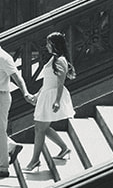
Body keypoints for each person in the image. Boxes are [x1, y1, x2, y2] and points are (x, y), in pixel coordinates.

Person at [0, 27, 35, 178]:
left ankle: (3, 168)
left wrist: (26, 93)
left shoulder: (3, 57)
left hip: (2, 97)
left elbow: (16, 77)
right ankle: (11, 147)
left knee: (0, 131)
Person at [24, 31, 75, 171]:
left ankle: (34, 161)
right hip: (46, 95)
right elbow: (47, 81)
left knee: (40, 128)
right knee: (41, 127)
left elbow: (60, 82)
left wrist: (57, 100)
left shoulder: (60, 60)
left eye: (48, 43)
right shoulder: (54, 59)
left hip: (52, 96)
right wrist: (37, 95)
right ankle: (64, 148)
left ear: (54, 44)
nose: (47, 46)